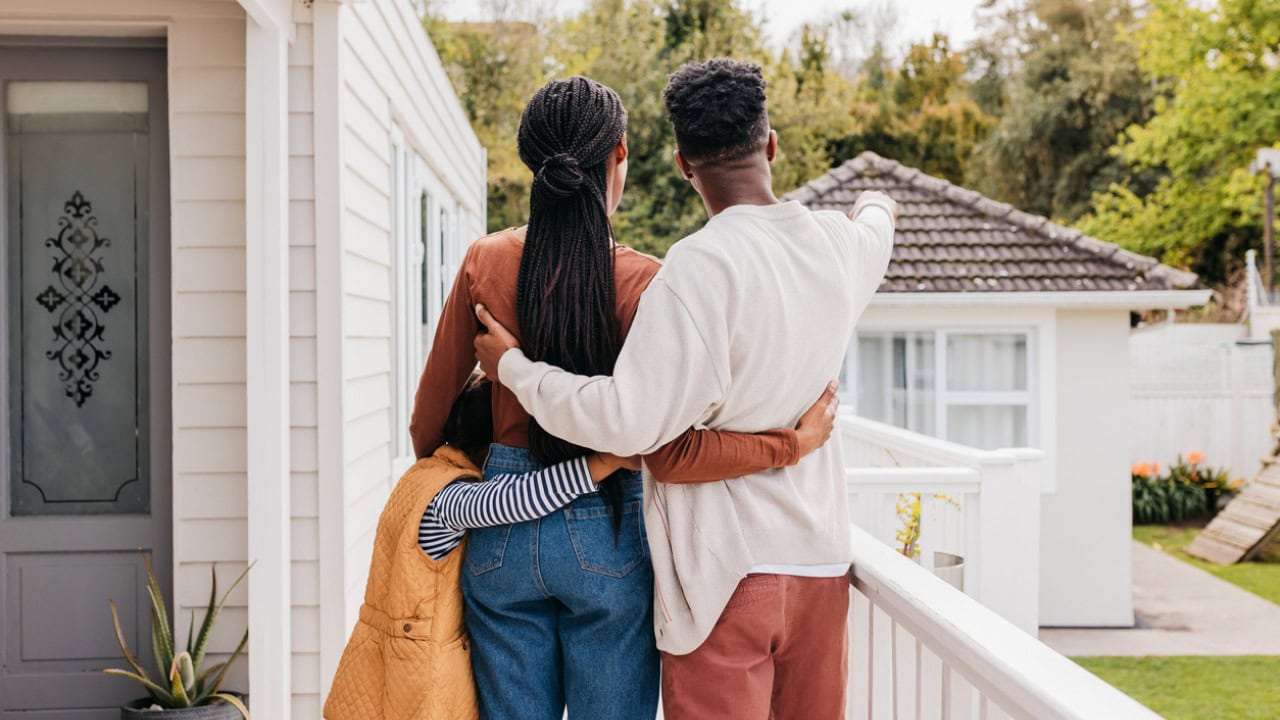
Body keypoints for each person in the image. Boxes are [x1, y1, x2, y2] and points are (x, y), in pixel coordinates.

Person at [474, 58, 898, 719]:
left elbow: (625, 422)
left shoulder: (695, 268)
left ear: (682, 164)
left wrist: (515, 370)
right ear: (772, 143)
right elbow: (879, 223)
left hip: (723, 577)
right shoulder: (841, 246)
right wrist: (875, 201)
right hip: (821, 568)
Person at [326, 372, 837, 720]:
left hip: (407, 652)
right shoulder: (444, 500)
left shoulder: (422, 476)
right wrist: (606, 462)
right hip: (419, 675)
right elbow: (511, 500)